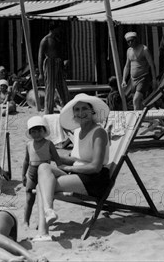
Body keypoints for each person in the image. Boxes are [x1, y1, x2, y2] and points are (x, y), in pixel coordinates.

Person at [35, 93, 111, 234]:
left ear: (92, 111)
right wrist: (55, 157)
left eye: (84, 109)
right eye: (77, 109)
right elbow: (79, 158)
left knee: (42, 186)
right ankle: (49, 211)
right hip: (78, 174)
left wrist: (68, 168)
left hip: (95, 179)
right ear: (73, 114)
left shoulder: (99, 132)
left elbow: (96, 166)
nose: (80, 112)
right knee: (43, 167)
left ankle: (43, 231)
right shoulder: (77, 132)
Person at [21, 116, 63, 229]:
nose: (36, 134)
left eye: (39, 131)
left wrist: (62, 171)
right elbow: (26, 161)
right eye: (33, 132)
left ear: (44, 131)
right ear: (30, 133)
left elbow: (57, 159)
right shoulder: (29, 144)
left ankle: (43, 221)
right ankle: (26, 221)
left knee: (45, 198)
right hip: (31, 173)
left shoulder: (49, 144)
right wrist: (23, 175)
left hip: (45, 174)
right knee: (29, 198)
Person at [38, 22, 70, 114]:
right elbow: (40, 56)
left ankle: (66, 108)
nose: (59, 30)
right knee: (50, 88)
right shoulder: (45, 40)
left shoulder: (57, 39)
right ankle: (48, 111)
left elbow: (60, 54)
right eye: (58, 28)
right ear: (54, 29)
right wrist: (41, 73)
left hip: (58, 63)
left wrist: (63, 67)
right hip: (50, 63)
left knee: (62, 87)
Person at [122, 31, 157, 110]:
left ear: (136, 39)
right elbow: (127, 66)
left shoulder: (144, 49)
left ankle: (136, 120)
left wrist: (154, 80)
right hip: (133, 80)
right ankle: (143, 118)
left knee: (135, 100)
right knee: (138, 102)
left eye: (132, 40)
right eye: (128, 42)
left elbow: (152, 65)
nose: (131, 43)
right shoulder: (129, 51)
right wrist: (124, 79)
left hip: (143, 78)